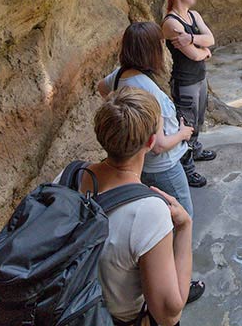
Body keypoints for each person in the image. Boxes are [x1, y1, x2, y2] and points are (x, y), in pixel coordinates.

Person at [64, 87, 194, 325]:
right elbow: (168, 313)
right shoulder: (148, 212)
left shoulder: (70, 175)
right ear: (151, 141)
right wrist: (185, 228)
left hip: (64, 308)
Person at [97, 22, 195, 216]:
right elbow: (158, 146)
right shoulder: (148, 91)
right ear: (151, 51)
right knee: (182, 216)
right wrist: (183, 134)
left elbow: (102, 87)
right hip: (163, 168)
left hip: (139, 163)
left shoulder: (120, 75)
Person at [162, 0, 216, 188]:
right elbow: (194, 56)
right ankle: (187, 169)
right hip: (185, 81)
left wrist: (192, 39)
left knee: (198, 118)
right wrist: (204, 51)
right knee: (186, 123)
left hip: (200, 79)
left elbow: (210, 39)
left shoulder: (194, 15)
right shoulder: (171, 23)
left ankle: (195, 150)